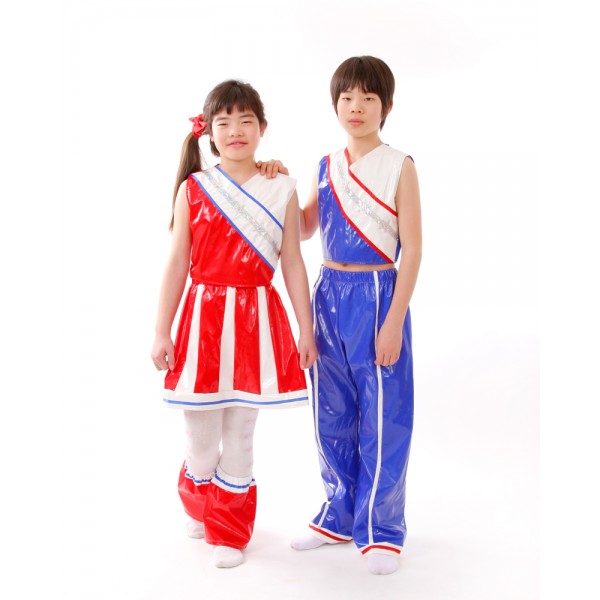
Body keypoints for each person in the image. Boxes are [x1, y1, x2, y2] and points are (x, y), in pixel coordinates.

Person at [150, 79, 317, 569]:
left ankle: (230, 531)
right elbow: (177, 263)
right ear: (209, 132)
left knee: (241, 435)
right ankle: (199, 501)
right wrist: (161, 330)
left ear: (263, 128)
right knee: (201, 442)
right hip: (203, 324)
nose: (236, 130)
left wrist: (305, 330)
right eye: (224, 122)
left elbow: (292, 263)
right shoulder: (194, 188)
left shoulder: (281, 186)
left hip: (255, 327)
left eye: (246, 120)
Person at [290, 56, 422, 575]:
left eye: (368, 97)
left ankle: (381, 528)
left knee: (384, 414)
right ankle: (339, 513)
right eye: (347, 97)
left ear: (386, 105)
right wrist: (274, 180)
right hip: (329, 292)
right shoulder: (325, 165)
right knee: (332, 411)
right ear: (335, 104)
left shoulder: (399, 165)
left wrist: (393, 321)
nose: (357, 107)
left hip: (377, 293)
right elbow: (304, 227)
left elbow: (413, 249)